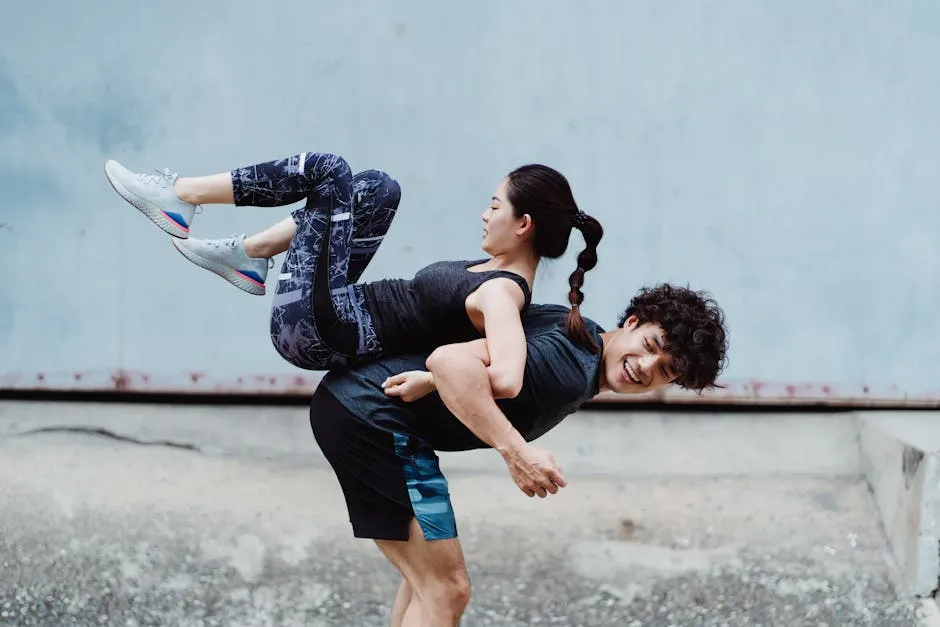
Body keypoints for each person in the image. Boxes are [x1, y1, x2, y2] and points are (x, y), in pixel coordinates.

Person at [310, 283, 729, 626]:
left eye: (665, 370)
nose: (647, 366)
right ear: (632, 322)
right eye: (650, 345)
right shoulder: (570, 364)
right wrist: (516, 452)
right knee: (446, 589)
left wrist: (436, 383)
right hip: (371, 418)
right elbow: (450, 362)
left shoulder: (579, 335)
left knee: (427, 582)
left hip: (373, 415)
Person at [103, 153, 603, 397]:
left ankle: (180, 197)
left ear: (523, 224)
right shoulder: (497, 272)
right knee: (380, 188)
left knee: (329, 171)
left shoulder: (502, 295)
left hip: (322, 330)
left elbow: (509, 380)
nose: (484, 215)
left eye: (494, 207)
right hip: (332, 312)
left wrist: (432, 381)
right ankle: (251, 255)